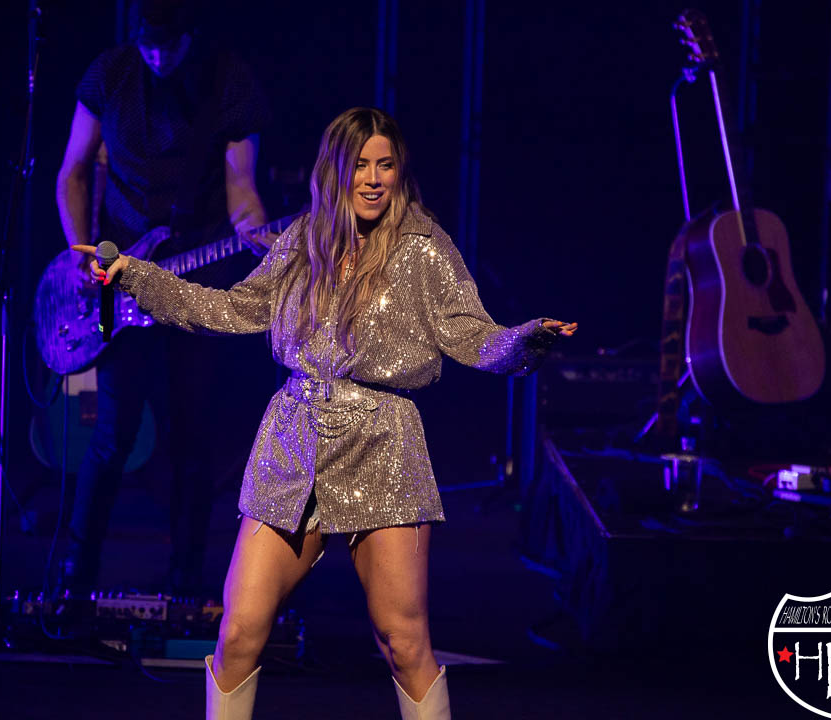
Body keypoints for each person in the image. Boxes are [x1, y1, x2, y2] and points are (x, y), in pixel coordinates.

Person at [76, 107, 576, 720]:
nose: (374, 179)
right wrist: (136, 277)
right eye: (361, 165)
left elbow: (473, 334)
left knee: (403, 642)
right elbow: (231, 309)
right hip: (294, 437)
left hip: (382, 443)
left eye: (385, 165)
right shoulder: (302, 241)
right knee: (238, 632)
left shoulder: (424, 247)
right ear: (335, 171)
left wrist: (527, 339)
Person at [54, 0, 273, 597]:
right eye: (147, 43)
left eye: (168, 45)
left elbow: (242, 187)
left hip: (193, 280)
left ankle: (185, 582)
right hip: (119, 275)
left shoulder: (228, 82)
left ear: (191, 34)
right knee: (112, 435)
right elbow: (73, 171)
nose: (156, 55)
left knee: (192, 438)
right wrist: (77, 252)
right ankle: (75, 577)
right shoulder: (109, 74)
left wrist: (255, 230)